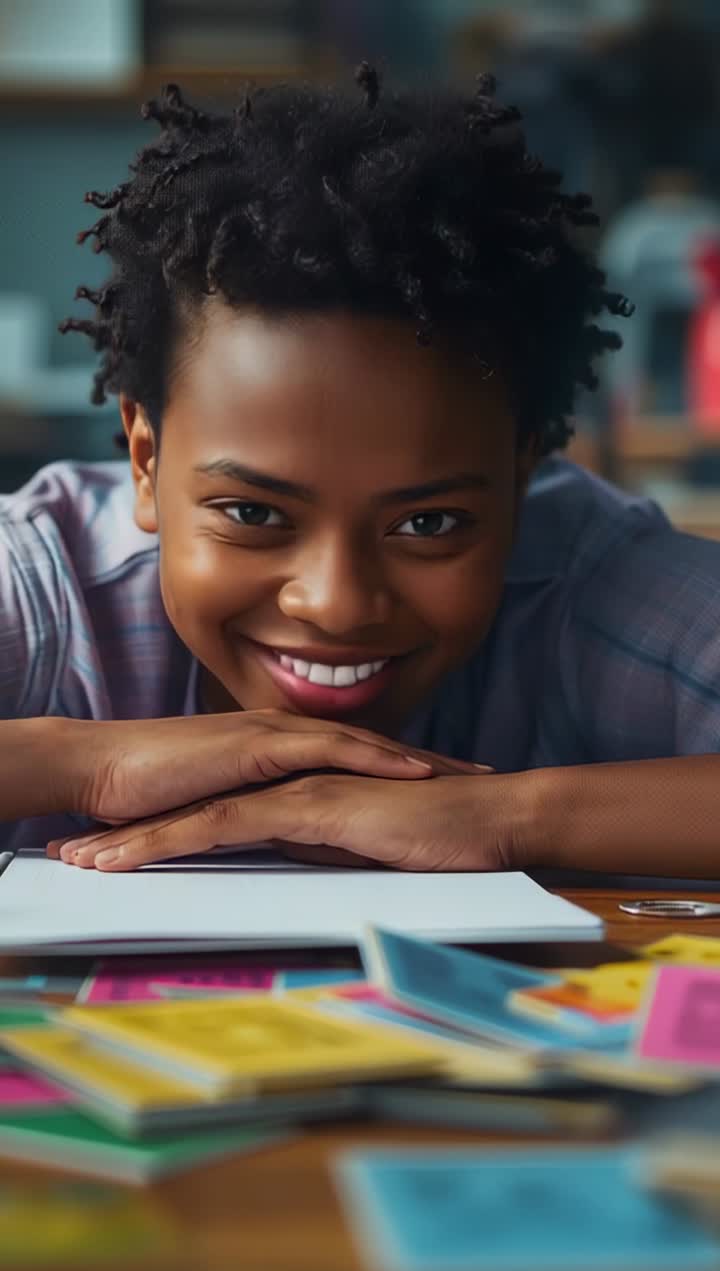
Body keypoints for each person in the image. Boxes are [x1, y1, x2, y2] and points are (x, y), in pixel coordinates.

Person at [3, 69, 720, 877]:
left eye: (428, 523)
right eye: (252, 513)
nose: (336, 604)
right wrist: (78, 764)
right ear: (146, 460)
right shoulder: (43, 592)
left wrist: (509, 815)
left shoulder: (585, 582)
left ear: (522, 473)